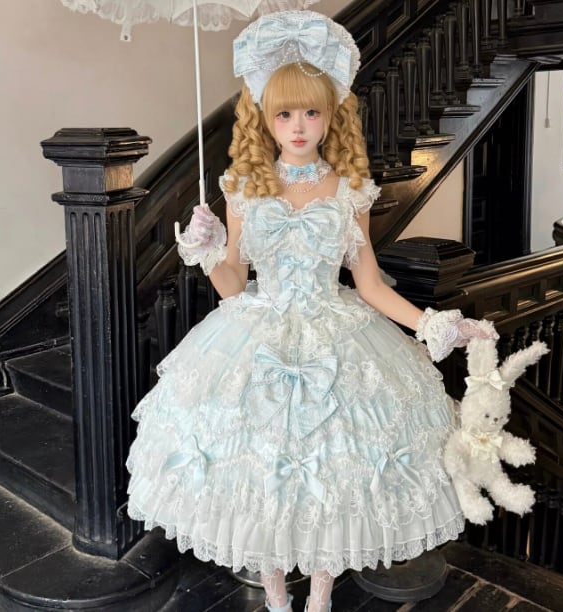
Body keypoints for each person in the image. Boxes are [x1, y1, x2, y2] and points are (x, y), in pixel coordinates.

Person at [126, 10, 497, 612]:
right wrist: (207, 250)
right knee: (265, 471)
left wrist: (433, 323)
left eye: (310, 112)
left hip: (337, 331)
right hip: (256, 333)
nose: (298, 127)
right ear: (265, 118)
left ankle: (320, 596)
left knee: (335, 469)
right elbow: (232, 286)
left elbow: (369, 283)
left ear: (330, 114)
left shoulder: (350, 189)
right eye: (284, 114)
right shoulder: (242, 186)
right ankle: (276, 597)